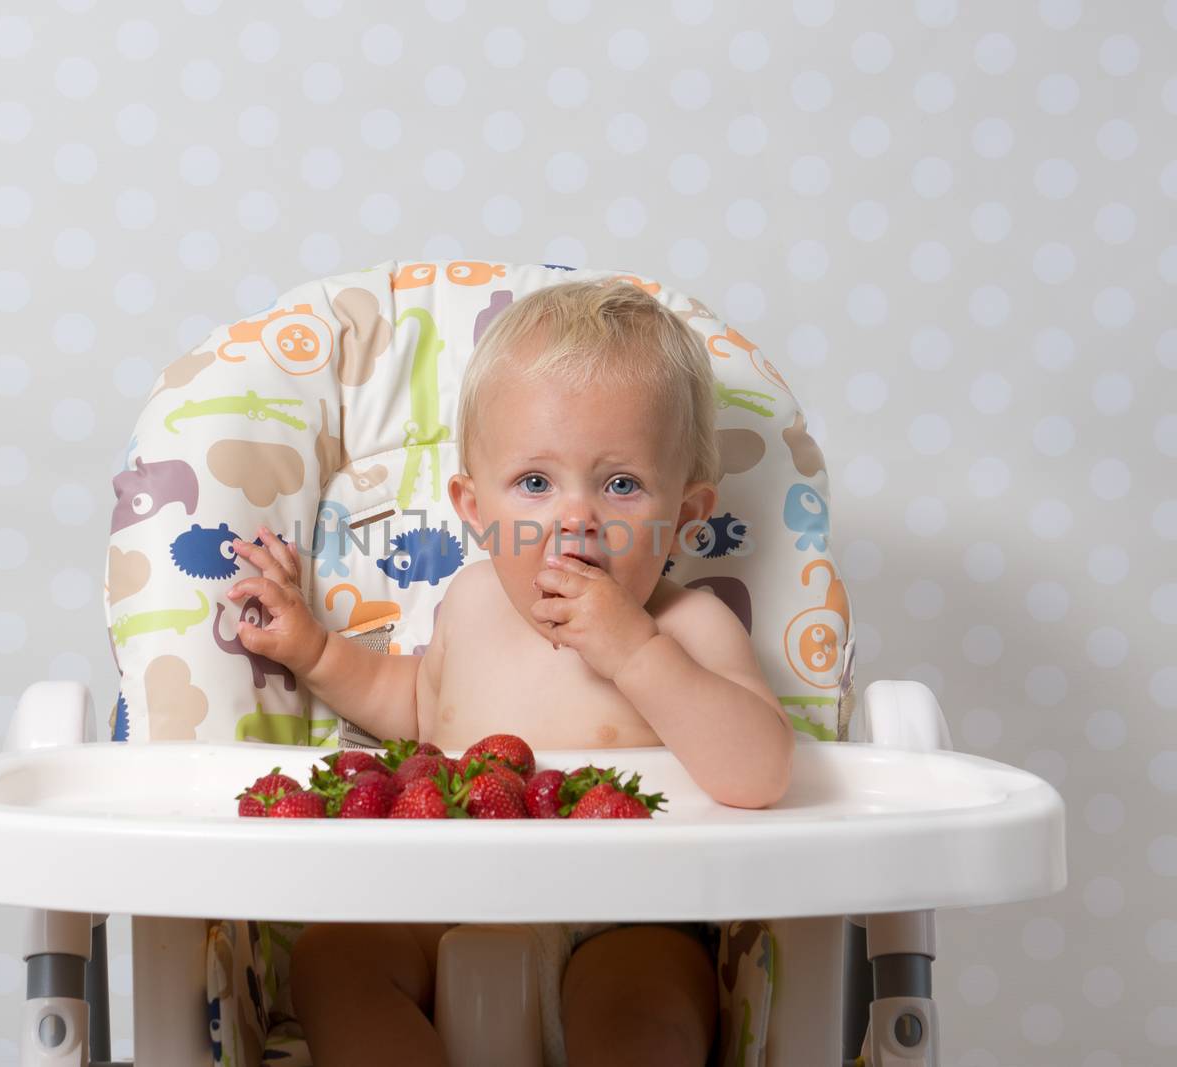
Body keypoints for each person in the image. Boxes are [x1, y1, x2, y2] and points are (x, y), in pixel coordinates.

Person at [225, 279, 796, 1066]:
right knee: (333, 961)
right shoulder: (470, 602)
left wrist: (635, 651)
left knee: (648, 1020)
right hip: (444, 895)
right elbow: (415, 706)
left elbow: (761, 770)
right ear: (473, 504)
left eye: (621, 483)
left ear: (688, 514)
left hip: (630, 918)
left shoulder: (689, 627)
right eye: (535, 482)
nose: (574, 517)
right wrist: (314, 651)